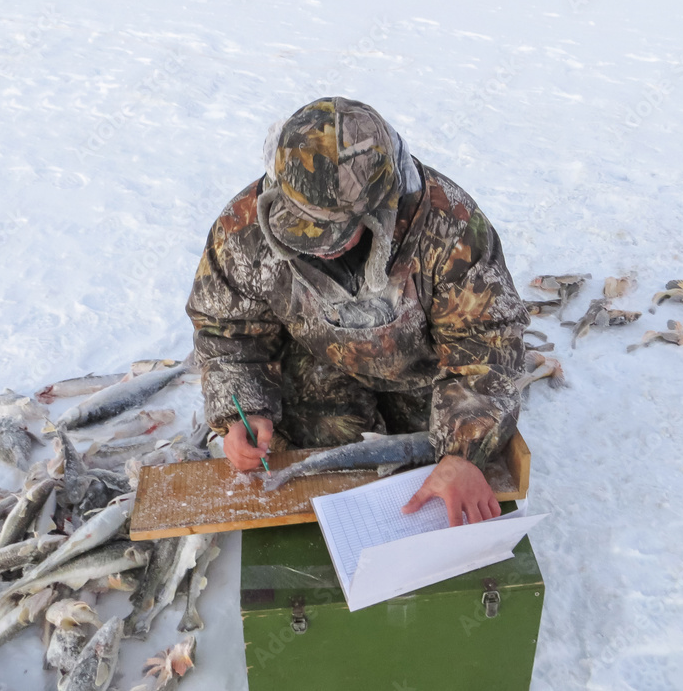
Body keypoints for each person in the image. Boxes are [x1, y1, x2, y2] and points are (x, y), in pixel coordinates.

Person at [186, 96, 529, 526]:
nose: (318, 245)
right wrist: (244, 410)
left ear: (382, 206)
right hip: (318, 361)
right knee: (327, 466)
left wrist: (463, 454)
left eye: (335, 232)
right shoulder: (242, 230)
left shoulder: (451, 227)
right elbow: (227, 332)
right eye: (300, 226)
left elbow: (487, 345)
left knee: (426, 473)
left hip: (427, 372)